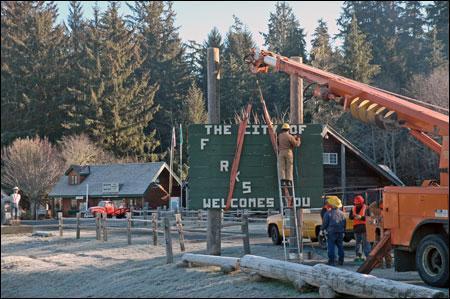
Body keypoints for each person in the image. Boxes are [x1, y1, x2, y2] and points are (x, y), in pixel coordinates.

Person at [321, 195, 346, 266]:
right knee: (340, 246)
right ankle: (341, 261)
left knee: (331, 246)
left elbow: (325, 223)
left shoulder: (328, 213)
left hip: (331, 232)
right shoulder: (342, 214)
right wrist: (343, 231)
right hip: (340, 232)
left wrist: (322, 230)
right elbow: (344, 224)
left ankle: (332, 261)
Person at [369, 199, 392, 268]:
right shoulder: (388, 211)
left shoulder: (377, 211)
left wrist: (378, 200)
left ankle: (380, 264)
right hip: (387, 232)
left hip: (380, 232)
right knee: (386, 249)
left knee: (378, 248)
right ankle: (388, 263)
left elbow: (371, 206)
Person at [349, 195, 371, 263]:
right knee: (358, 243)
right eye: (356, 203)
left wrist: (361, 217)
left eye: (358, 203)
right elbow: (350, 217)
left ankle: (368, 257)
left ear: (362, 202)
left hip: (364, 228)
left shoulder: (366, 208)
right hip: (357, 228)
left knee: (365, 243)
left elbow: (369, 218)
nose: (357, 205)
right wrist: (354, 216)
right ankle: (358, 257)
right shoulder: (353, 208)